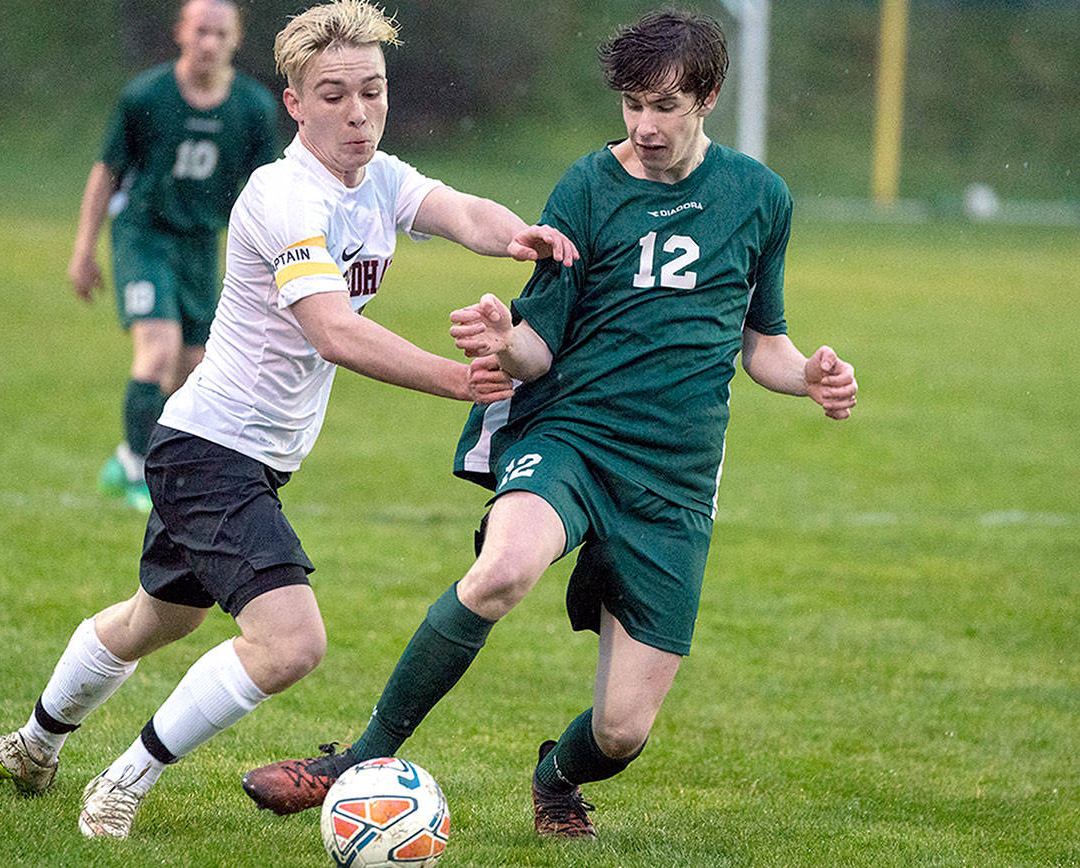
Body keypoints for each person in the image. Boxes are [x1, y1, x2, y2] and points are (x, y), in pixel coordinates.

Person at [241, 8, 859, 840]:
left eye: (665, 106)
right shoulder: (587, 187)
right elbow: (537, 347)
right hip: (571, 437)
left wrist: (810, 378)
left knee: (622, 731)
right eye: (633, 104)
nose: (644, 126)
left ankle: (557, 778)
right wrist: (505, 338)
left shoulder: (759, 199)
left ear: (707, 98)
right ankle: (355, 758)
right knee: (504, 568)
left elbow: (763, 346)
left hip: (674, 479)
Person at [0, 0, 577, 841]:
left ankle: (34, 744)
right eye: (333, 94)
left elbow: (458, 211)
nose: (359, 112)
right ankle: (123, 781)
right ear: (294, 103)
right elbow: (333, 330)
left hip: (245, 457)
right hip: (208, 450)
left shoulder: (379, 177)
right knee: (290, 642)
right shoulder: (282, 195)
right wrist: (461, 380)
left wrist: (522, 236)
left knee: (159, 617)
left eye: (372, 90)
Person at [70, 0, 280, 512]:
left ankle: (126, 459)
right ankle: (143, 476)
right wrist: (84, 249)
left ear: (236, 40)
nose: (209, 43)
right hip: (143, 237)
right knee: (158, 352)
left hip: (200, 245)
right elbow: (107, 171)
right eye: (200, 31)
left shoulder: (253, 108)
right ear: (180, 34)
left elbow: (264, 191)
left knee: (194, 367)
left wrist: (277, 259)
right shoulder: (146, 96)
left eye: (220, 33)